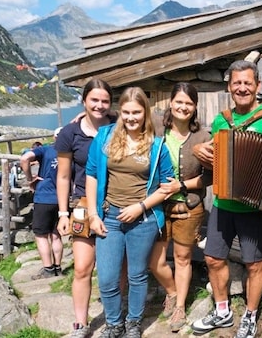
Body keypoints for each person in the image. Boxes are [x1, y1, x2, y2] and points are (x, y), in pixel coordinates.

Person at [190, 60, 262, 338]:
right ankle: (222, 311)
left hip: (256, 207)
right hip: (223, 203)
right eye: (237, 83)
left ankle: (249, 315)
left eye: (248, 83)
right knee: (212, 258)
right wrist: (200, 150)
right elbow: (213, 159)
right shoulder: (222, 120)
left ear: (257, 86)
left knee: (254, 263)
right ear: (229, 87)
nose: (242, 88)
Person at [85, 86, 174, 337]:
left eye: (136, 112)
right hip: (109, 217)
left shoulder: (157, 146)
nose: (131, 117)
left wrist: (141, 206)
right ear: (119, 112)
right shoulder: (104, 137)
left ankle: (133, 323)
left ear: (145, 112)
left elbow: (167, 186)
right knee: (107, 277)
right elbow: (91, 175)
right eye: (126, 112)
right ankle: (114, 324)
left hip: (143, 219)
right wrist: (93, 214)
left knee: (137, 275)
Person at [149, 82, 212, 332]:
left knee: (183, 258)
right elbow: (125, 115)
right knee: (154, 259)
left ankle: (179, 307)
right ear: (170, 102)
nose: (183, 107)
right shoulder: (155, 128)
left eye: (188, 103)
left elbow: (209, 177)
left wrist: (181, 186)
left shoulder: (203, 136)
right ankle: (172, 292)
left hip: (190, 205)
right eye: (179, 102)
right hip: (157, 206)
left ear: (194, 107)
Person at [55, 78, 114, 338]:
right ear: (84, 100)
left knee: (115, 267)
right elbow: (63, 177)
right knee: (82, 267)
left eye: (104, 101)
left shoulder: (118, 127)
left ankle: (116, 317)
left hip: (115, 202)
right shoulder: (70, 134)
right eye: (94, 100)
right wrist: (62, 214)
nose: (99, 105)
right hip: (81, 204)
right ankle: (80, 322)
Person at [20, 127, 64, 280]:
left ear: (54, 137)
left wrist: (29, 178)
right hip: (62, 200)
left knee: (41, 235)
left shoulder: (45, 150)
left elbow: (25, 158)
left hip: (44, 197)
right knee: (56, 234)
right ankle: (59, 267)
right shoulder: (71, 153)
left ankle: (48, 269)